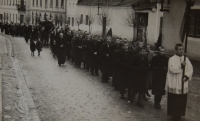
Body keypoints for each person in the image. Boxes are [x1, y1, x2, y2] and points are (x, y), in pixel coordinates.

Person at [165, 43, 193, 120]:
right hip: (174, 82)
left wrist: (186, 76)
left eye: (182, 49)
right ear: (176, 50)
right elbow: (172, 69)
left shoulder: (186, 59)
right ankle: (173, 113)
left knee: (181, 99)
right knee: (174, 99)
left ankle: (179, 113)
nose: (181, 51)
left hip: (182, 82)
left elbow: (190, 69)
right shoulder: (172, 59)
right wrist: (181, 66)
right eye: (179, 49)